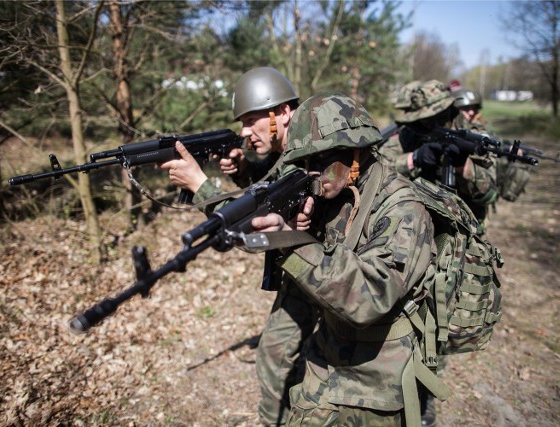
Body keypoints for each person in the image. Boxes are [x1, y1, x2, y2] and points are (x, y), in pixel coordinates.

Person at [250, 93, 444, 427]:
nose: (310, 172)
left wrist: (292, 245)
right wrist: (301, 228)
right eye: (304, 162)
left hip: (374, 384)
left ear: (355, 151)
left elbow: (371, 296)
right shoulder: (341, 191)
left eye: (319, 159)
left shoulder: (404, 209)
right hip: (326, 359)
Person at [160, 67, 319, 426]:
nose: (245, 132)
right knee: (276, 356)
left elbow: (254, 227)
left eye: (251, 120)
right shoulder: (293, 147)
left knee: (288, 361)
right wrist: (244, 170)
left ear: (281, 113)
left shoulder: (312, 151)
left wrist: (200, 185)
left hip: (328, 268)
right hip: (305, 265)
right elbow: (270, 186)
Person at [378, 79, 499, 234]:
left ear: (448, 110)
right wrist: (414, 158)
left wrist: (464, 167)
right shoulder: (412, 130)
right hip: (418, 224)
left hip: (464, 229)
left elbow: (489, 195)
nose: (427, 123)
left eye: (434, 117)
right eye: (424, 119)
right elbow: (380, 167)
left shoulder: (474, 136)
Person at [451, 85, 532, 204]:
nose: (471, 112)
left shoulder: (481, 133)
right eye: (466, 108)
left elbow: (489, 191)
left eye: (474, 108)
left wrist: (468, 169)